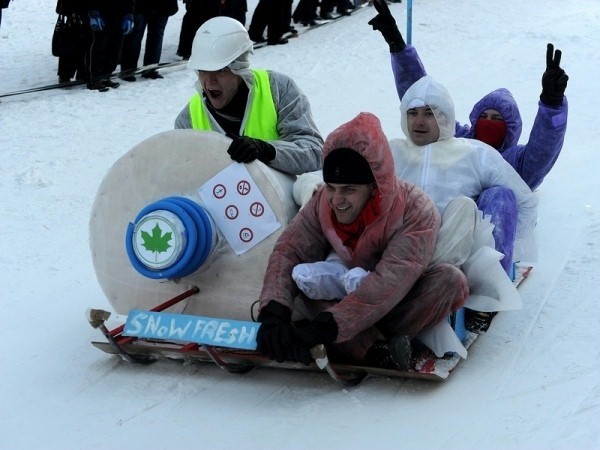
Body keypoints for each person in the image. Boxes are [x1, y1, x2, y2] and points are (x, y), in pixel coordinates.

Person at [255, 112, 468, 369]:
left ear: (375, 186)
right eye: (332, 187)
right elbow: (289, 250)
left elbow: (390, 282)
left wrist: (325, 328)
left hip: (397, 299)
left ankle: (359, 346)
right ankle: (376, 348)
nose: (336, 200)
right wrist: (274, 314)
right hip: (342, 297)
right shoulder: (323, 202)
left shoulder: (415, 210)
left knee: (450, 281)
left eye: (348, 190)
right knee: (301, 279)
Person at [369, 0, 569, 191]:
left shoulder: (514, 161)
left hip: (486, 221)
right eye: (484, 117)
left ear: (511, 128)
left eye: (497, 119)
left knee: (499, 196)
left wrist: (552, 105)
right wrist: (396, 43)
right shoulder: (457, 140)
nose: (488, 123)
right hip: (437, 215)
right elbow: (422, 97)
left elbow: (543, 151)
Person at [390, 75, 538, 277]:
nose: (419, 121)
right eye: (412, 113)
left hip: (452, 256)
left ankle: (443, 280)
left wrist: (512, 253)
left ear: (444, 117)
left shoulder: (474, 153)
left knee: (484, 200)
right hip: (399, 249)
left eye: (429, 113)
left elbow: (525, 201)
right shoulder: (392, 152)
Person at [174, 16, 324, 176]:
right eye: (203, 70)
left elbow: (315, 152)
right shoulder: (188, 120)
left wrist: (267, 150)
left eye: (221, 70)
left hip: (279, 198)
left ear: (240, 68)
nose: (210, 81)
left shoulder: (278, 89)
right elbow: (183, 177)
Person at [119, 0, 178, 82]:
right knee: (134, 37)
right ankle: (128, 70)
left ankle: (151, 69)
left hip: (162, 6)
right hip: (140, 6)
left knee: (156, 36)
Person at [85, 0, 135, 91]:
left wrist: (129, 14)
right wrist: (94, 12)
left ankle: (106, 76)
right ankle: (95, 78)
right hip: (103, 16)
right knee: (100, 47)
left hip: (120, 17)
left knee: (115, 49)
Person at [53, 0, 87, 83]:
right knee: (70, 46)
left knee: (85, 44)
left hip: (85, 13)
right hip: (72, 15)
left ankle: (81, 73)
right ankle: (65, 75)